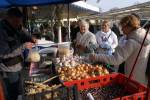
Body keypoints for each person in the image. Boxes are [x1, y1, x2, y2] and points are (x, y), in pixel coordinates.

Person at [89, 14, 150, 85]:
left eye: (123, 27)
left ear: (129, 27)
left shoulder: (131, 42)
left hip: (133, 78)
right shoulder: (145, 37)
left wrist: (96, 56)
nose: (122, 30)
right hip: (142, 76)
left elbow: (116, 59)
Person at [0, 8, 36, 100]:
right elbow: (4, 54)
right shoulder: (2, 31)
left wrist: (30, 37)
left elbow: (25, 36)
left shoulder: (16, 27)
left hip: (19, 65)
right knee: (12, 94)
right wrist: (23, 46)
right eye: (16, 21)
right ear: (9, 18)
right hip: (9, 69)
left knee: (20, 91)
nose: (18, 24)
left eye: (20, 22)